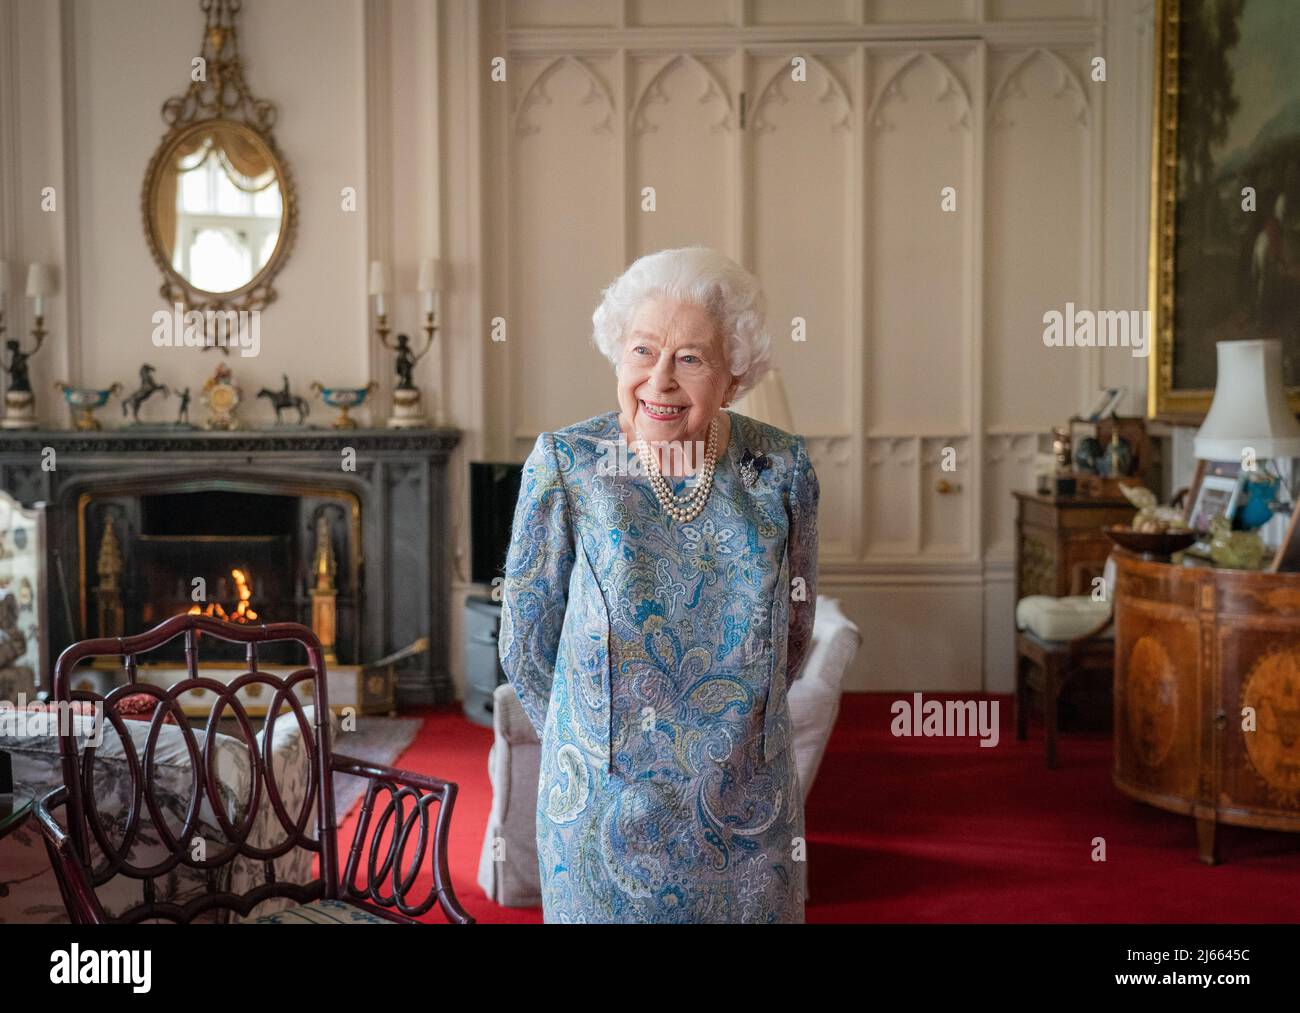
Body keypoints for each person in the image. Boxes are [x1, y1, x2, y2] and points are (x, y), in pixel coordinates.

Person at [498, 246, 819, 923]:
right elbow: (527, 645)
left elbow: (792, 634)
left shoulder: (781, 468)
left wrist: (735, 741)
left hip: (747, 813)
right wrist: (590, 745)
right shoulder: (568, 465)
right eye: (643, 350)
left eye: (691, 358)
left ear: (733, 376)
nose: (661, 380)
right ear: (619, 356)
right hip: (602, 815)